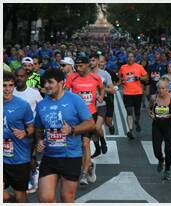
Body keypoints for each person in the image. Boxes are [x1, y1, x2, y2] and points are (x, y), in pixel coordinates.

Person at [35, 69, 95, 202]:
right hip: (50, 157)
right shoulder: (41, 104)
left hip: (71, 156)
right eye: (44, 82)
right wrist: (39, 141)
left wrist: (73, 129)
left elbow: (91, 123)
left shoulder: (75, 99)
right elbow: (39, 128)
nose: (46, 86)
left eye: (50, 82)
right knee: (45, 198)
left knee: (66, 198)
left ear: (61, 83)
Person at [65, 56, 105, 186]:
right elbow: (64, 92)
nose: (79, 68)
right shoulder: (72, 78)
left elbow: (101, 88)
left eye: (81, 65)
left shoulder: (96, 77)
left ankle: (83, 174)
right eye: (77, 65)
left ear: (88, 65)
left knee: (85, 144)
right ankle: (90, 165)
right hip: (75, 116)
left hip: (90, 115)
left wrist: (100, 96)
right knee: (76, 145)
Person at [3, 71, 35, 202]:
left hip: (19, 158)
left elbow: (32, 127)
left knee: (20, 197)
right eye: (4, 85)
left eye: (10, 85)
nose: (7, 89)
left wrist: (25, 133)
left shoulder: (22, 105)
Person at [13, 68, 44, 193]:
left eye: (22, 76)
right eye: (17, 76)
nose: (20, 78)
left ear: (26, 77)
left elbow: (42, 107)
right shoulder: (11, 91)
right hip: (13, 129)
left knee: (28, 156)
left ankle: (34, 175)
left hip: (30, 129)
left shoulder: (34, 92)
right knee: (17, 156)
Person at [147, 77, 171, 180]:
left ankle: (167, 170)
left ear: (167, 89)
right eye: (159, 88)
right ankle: (160, 159)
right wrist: (151, 114)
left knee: (168, 150)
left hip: (169, 126)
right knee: (156, 150)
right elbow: (149, 109)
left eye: (163, 88)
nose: (161, 90)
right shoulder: (154, 98)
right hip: (157, 126)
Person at [118, 51, 148, 139]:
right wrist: (121, 80)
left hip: (138, 93)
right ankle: (130, 130)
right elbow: (119, 77)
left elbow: (146, 77)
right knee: (129, 111)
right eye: (128, 57)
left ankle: (137, 122)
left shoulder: (139, 67)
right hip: (127, 93)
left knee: (137, 112)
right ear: (126, 58)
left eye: (131, 57)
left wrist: (139, 78)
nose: (130, 58)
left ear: (134, 58)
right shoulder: (123, 67)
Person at [90, 53, 115, 158]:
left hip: (102, 103)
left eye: (93, 60)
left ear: (96, 61)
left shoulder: (105, 74)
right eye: (89, 61)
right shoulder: (86, 74)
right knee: (92, 129)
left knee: (97, 127)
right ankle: (97, 148)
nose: (91, 63)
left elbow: (112, 90)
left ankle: (103, 141)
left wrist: (102, 90)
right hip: (89, 105)